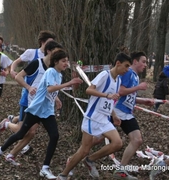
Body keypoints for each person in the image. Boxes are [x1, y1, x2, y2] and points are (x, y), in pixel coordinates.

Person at [0, 49, 83, 179]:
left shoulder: (59, 75)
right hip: (36, 109)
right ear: (56, 62)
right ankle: (0, 151)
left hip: (47, 111)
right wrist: (69, 83)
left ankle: (45, 168)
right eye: (63, 61)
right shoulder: (50, 71)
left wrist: (70, 87)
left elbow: (54, 90)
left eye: (67, 61)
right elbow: (49, 88)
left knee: (54, 135)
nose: (66, 63)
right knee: (21, 134)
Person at [56, 52, 132, 180]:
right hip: (92, 118)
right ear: (118, 63)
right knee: (84, 150)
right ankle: (63, 175)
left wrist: (114, 115)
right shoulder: (104, 75)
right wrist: (107, 95)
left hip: (105, 119)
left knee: (118, 143)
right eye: (126, 66)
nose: (127, 69)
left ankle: (90, 160)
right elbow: (89, 90)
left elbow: (111, 101)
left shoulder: (118, 80)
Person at [0, 40, 63, 165]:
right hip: (28, 100)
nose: (59, 55)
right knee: (23, 131)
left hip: (41, 105)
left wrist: (56, 98)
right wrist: (29, 87)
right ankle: (7, 125)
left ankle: (11, 155)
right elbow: (19, 76)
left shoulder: (53, 69)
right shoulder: (36, 63)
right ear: (48, 51)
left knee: (31, 132)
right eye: (56, 52)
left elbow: (49, 87)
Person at [112, 51, 154, 179]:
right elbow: (120, 91)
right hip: (117, 110)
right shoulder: (128, 72)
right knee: (98, 139)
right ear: (135, 62)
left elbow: (129, 96)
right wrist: (139, 88)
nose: (145, 65)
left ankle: (121, 170)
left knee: (137, 140)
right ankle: (84, 157)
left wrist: (143, 101)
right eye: (143, 62)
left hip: (127, 113)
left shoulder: (135, 76)